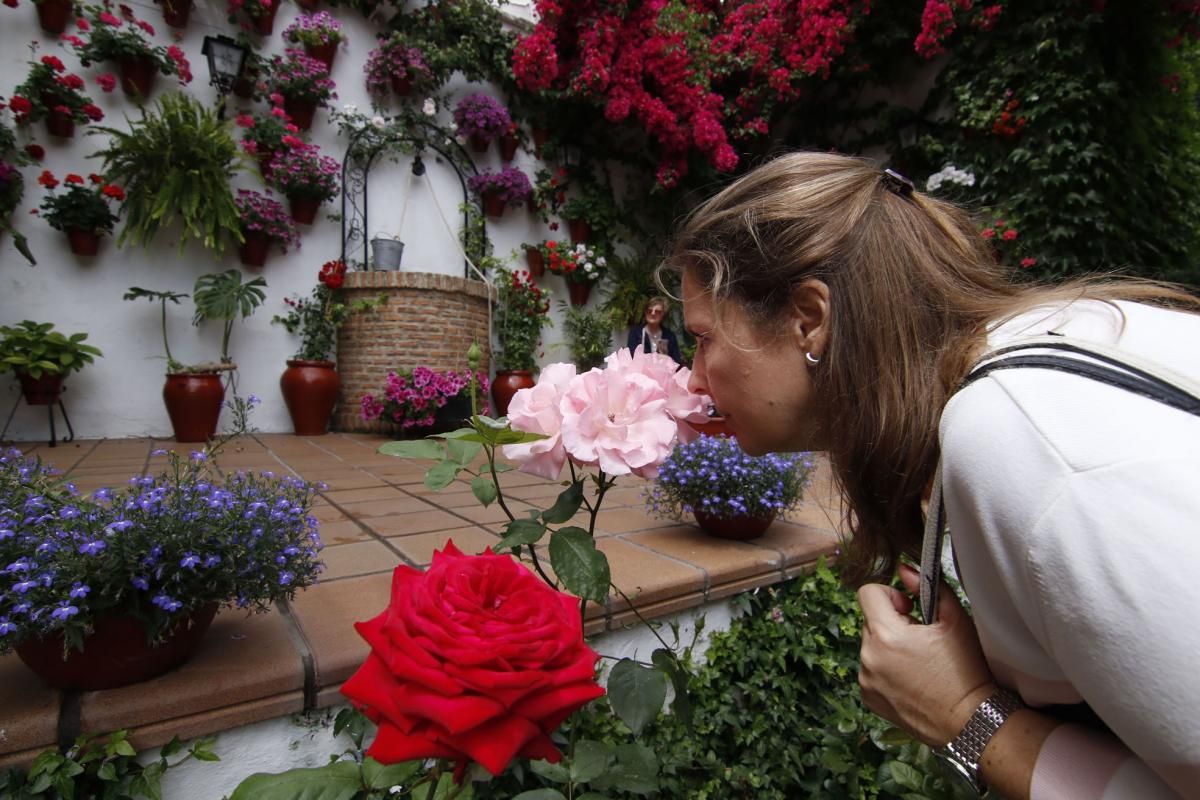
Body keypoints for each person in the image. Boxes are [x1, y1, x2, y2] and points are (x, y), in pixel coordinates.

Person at [664, 152, 1200, 799]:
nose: (693, 378)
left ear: (809, 318)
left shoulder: (1023, 439)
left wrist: (965, 716)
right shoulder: (1052, 351)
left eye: (702, 337)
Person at [626, 295, 682, 364]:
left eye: (657, 311)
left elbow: (676, 361)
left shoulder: (669, 336)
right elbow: (630, 357)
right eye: (649, 311)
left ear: (663, 314)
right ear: (645, 312)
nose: (653, 313)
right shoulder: (635, 333)